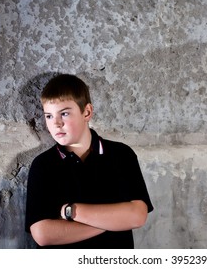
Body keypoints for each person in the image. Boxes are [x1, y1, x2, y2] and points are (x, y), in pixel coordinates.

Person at [25, 73, 154, 248]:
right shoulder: (43, 165)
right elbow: (43, 234)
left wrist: (70, 211)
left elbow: (137, 216)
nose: (56, 124)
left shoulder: (121, 154)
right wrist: (112, 221)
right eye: (49, 116)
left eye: (64, 114)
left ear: (87, 112)